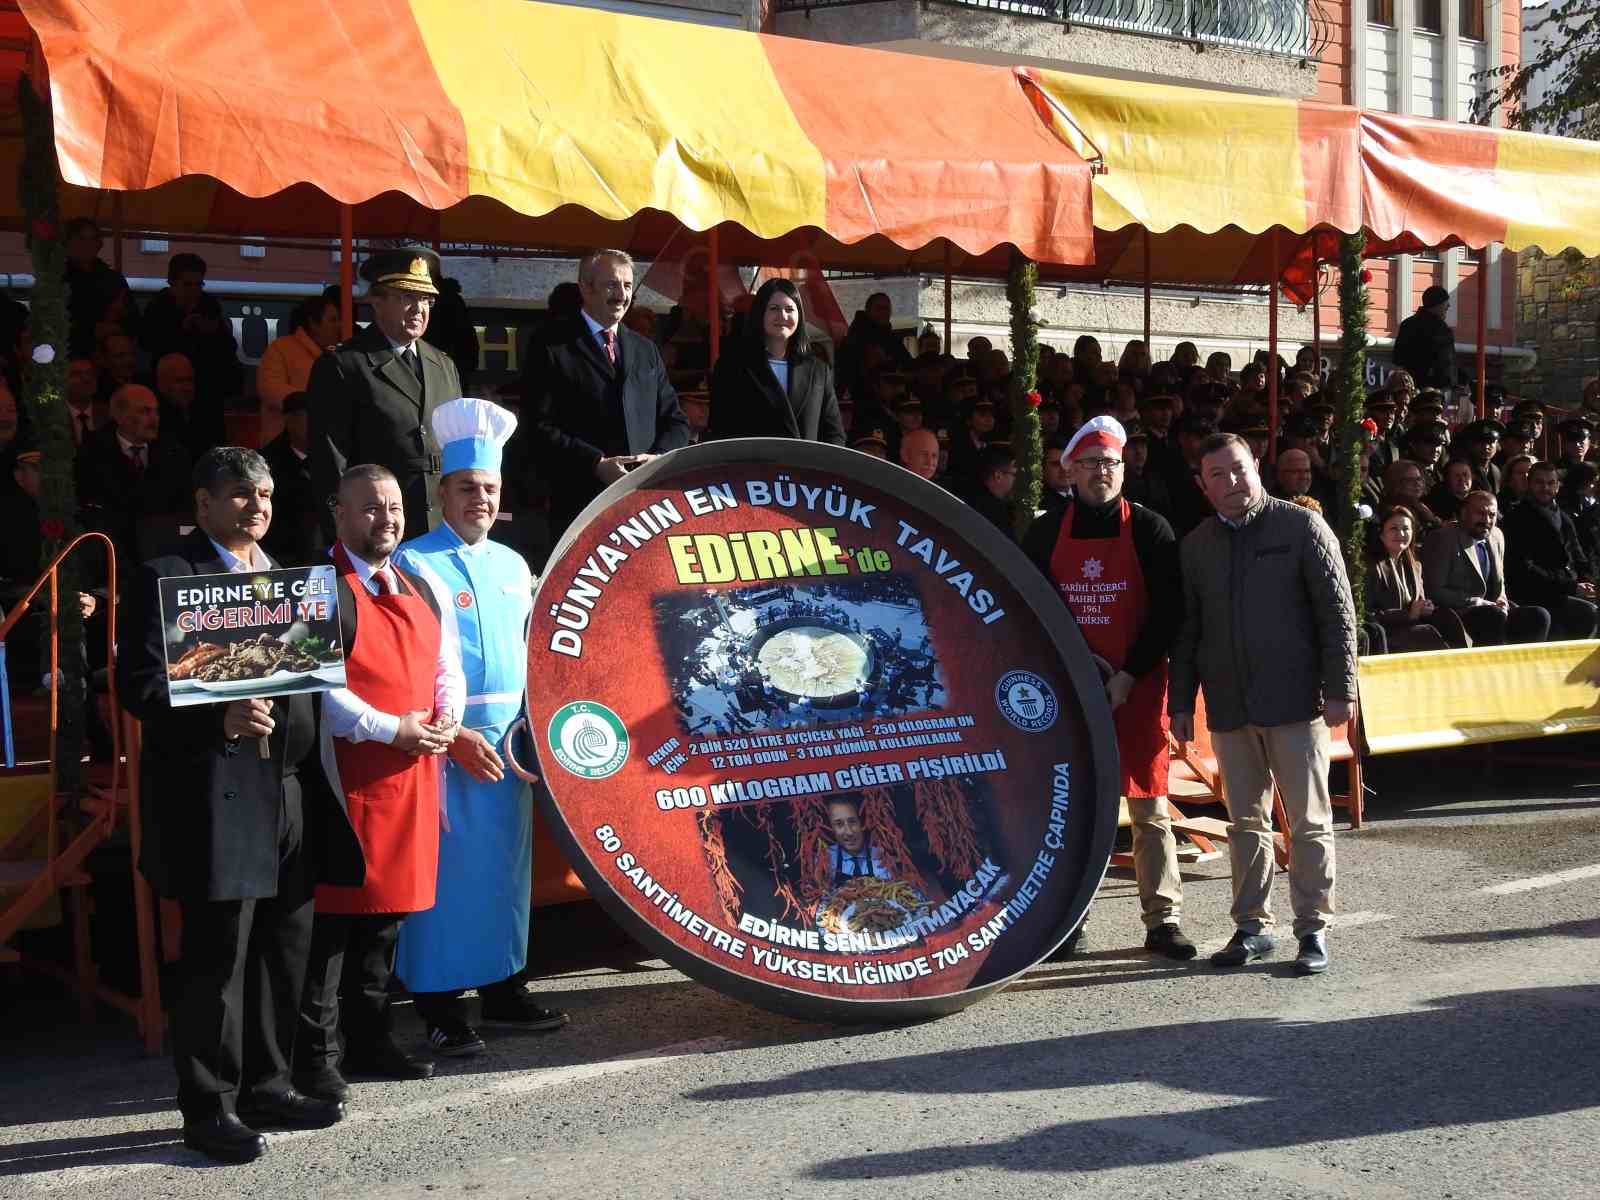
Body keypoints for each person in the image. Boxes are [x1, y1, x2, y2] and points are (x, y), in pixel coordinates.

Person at [118, 447, 364, 1163]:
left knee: (283, 950)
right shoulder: (166, 576)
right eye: (237, 495)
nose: (255, 506)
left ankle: (269, 1084)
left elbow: (326, 657)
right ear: (201, 503)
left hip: (291, 790)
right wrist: (214, 717)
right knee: (218, 959)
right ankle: (209, 1106)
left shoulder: (286, 579)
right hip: (220, 797)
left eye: (263, 494)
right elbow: (138, 683)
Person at [394, 399, 568, 1055]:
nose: (480, 500)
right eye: (467, 488)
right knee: (444, 876)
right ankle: (438, 1003)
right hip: (447, 744)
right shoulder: (415, 563)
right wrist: (451, 731)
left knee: (504, 870)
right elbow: (410, 666)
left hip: (510, 744)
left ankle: (504, 988)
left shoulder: (514, 565)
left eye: (490, 489)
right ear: (442, 492)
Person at [297, 465, 464, 1099]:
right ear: (338, 512)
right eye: (370, 508)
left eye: (393, 507)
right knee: (331, 929)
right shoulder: (317, 587)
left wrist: (447, 719)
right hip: (350, 776)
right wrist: (393, 729)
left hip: (414, 772)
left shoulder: (422, 586)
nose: (385, 519)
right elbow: (321, 693)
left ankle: (371, 1039)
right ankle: (315, 1055)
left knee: (386, 922)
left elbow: (446, 667)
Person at [1169, 433, 1357, 976]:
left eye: (1239, 470)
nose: (1232, 483)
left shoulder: (1302, 527)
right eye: (1218, 475)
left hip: (1296, 703)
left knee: (1308, 822)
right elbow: (1187, 633)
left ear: (1257, 467)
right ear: (1202, 485)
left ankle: (1313, 930)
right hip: (1229, 707)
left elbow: (1337, 614)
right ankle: (1252, 927)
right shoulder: (1197, 545)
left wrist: (1342, 687)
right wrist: (1182, 701)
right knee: (1245, 824)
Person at [1023, 417, 1191, 958]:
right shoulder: (1045, 531)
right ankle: (1073, 919)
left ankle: (1163, 920)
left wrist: (1125, 675)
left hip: (1137, 688)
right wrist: (1077, 667)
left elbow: (1169, 612)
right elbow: (1033, 609)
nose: (1103, 472)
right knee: (1079, 808)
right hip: (1069, 689)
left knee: (1150, 808)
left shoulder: (1151, 529)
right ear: (1069, 469)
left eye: (1112, 463)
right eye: (1092, 463)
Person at [519, 249, 688, 539]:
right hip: (579, 502)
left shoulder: (645, 349)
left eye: (626, 286)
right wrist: (594, 464)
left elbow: (675, 420)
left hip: (643, 505)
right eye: (611, 285)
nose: (621, 295)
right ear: (586, 287)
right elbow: (537, 426)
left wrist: (657, 459)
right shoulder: (551, 344)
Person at [309, 247, 461, 540]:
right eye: (407, 297)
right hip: (377, 529)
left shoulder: (443, 365)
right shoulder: (345, 364)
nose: (419, 309)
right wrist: (341, 533)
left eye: (426, 299)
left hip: (439, 527)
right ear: (376, 301)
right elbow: (330, 462)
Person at [706, 278, 845, 444]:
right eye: (774, 308)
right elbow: (721, 429)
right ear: (760, 313)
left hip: (804, 467)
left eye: (789, 309)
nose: (783, 316)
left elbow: (833, 433)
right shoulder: (733, 366)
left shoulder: (818, 370)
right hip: (755, 466)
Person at [75, 383, 193, 566]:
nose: (154, 419)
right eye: (145, 412)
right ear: (119, 415)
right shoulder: (92, 453)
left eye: (156, 412)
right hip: (113, 554)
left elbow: (183, 506)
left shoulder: (173, 452)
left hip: (164, 552)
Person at [1421, 490, 1551, 645]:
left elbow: (1499, 581)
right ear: (1463, 513)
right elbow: (1434, 590)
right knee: (1493, 616)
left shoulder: (1496, 535)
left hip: (1492, 608)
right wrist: (1475, 601)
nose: (1487, 520)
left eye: (1492, 515)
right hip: (1458, 612)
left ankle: (1522, 667)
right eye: (1480, 513)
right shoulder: (1443, 538)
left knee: (1539, 615)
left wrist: (1502, 599)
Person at [1501, 462, 1599, 639]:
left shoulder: (1564, 517)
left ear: (1557, 486)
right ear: (1529, 484)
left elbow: (1579, 557)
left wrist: (1590, 582)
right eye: (1540, 483)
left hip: (1567, 589)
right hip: (1535, 594)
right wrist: (1570, 587)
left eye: (1550, 483)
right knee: (1587, 612)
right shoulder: (1517, 518)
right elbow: (1523, 569)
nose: (1545, 488)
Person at [140, 252, 244, 403]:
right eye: (187, 285)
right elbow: (148, 343)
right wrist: (181, 329)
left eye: (198, 285)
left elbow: (229, 346)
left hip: (206, 386)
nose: (194, 291)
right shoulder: (158, 307)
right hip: (170, 388)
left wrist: (213, 332)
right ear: (171, 281)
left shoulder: (208, 305)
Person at [1365, 505, 1465, 652]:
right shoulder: (1371, 567)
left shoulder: (1415, 565)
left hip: (1414, 627)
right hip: (1388, 633)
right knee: (1425, 633)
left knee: (1447, 618)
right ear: (1381, 534)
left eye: (1406, 529)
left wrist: (1425, 607)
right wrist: (1408, 614)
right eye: (1394, 529)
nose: (1401, 533)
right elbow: (1367, 614)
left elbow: (1419, 602)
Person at [258, 297, 340, 445]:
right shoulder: (280, 348)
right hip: (283, 447)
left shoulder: (338, 355)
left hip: (325, 447)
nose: (339, 325)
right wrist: (313, 403)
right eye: (333, 320)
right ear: (313, 323)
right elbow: (269, 388)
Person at [259, 392, 321, 567]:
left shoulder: (335, 458)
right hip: (280, 559)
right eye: (310, 417)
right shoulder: (265, 464)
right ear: (289, 420)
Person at [63, 217, 132, 357]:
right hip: (71, 357)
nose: (87, 245)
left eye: (92, 239)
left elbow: (134, 322)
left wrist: (122, 320)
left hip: (111, 358)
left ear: (99, 244)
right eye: (81, 239)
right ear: (67, 242)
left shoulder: (114, 280)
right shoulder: (55, 281)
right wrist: (91, 330)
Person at [155, 351, 225, 463]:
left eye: (189, 380)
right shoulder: (155, 417)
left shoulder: (205, 412)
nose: (187, 387)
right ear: (161, 384)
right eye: (179, 381)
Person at [1392, 285, 1457, 391]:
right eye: (1446, 302)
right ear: (1437, 304)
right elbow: (1446, 365)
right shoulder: (1441, 329)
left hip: (1409, 389)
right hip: (1434, 392)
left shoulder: (1407, 325)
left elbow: (1398, 359)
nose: (1448, 306)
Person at [962, 445, 1016, 536]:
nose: (1017, 481)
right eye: (1015, 474)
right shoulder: (993, 515)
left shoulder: (970, 499)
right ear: (998, 476)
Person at [1426, 458, 1477, 524]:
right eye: (1456, 476)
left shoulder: (1478, 497)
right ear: (1447, 479)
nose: (1462, 479)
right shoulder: (1437, 501)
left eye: (1465, 474)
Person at [1038, 434, 1072, 514]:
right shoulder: (1037, 503)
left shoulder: (1087, 495)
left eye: (1066, 463)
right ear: (1043, 468)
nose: (1064, 469)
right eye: (1056, 464)